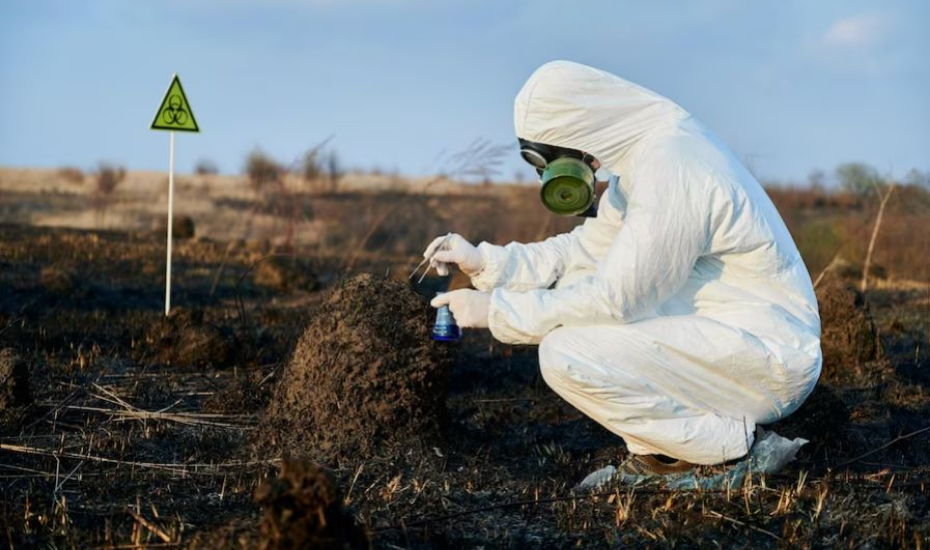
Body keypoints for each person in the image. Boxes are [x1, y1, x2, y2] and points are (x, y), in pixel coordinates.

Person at [424, 61, 821, 474]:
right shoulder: (641, 163)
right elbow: (581, 252)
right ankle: (674, 447)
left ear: (579, 125)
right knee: (578, 292)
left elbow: (617, 299)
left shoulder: (674, 167)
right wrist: (486, 261)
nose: (556, 173)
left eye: (553, 157)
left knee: (565, 353)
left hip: (770, 356)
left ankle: (726, 448)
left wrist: (495, 312)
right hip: (729, 334)